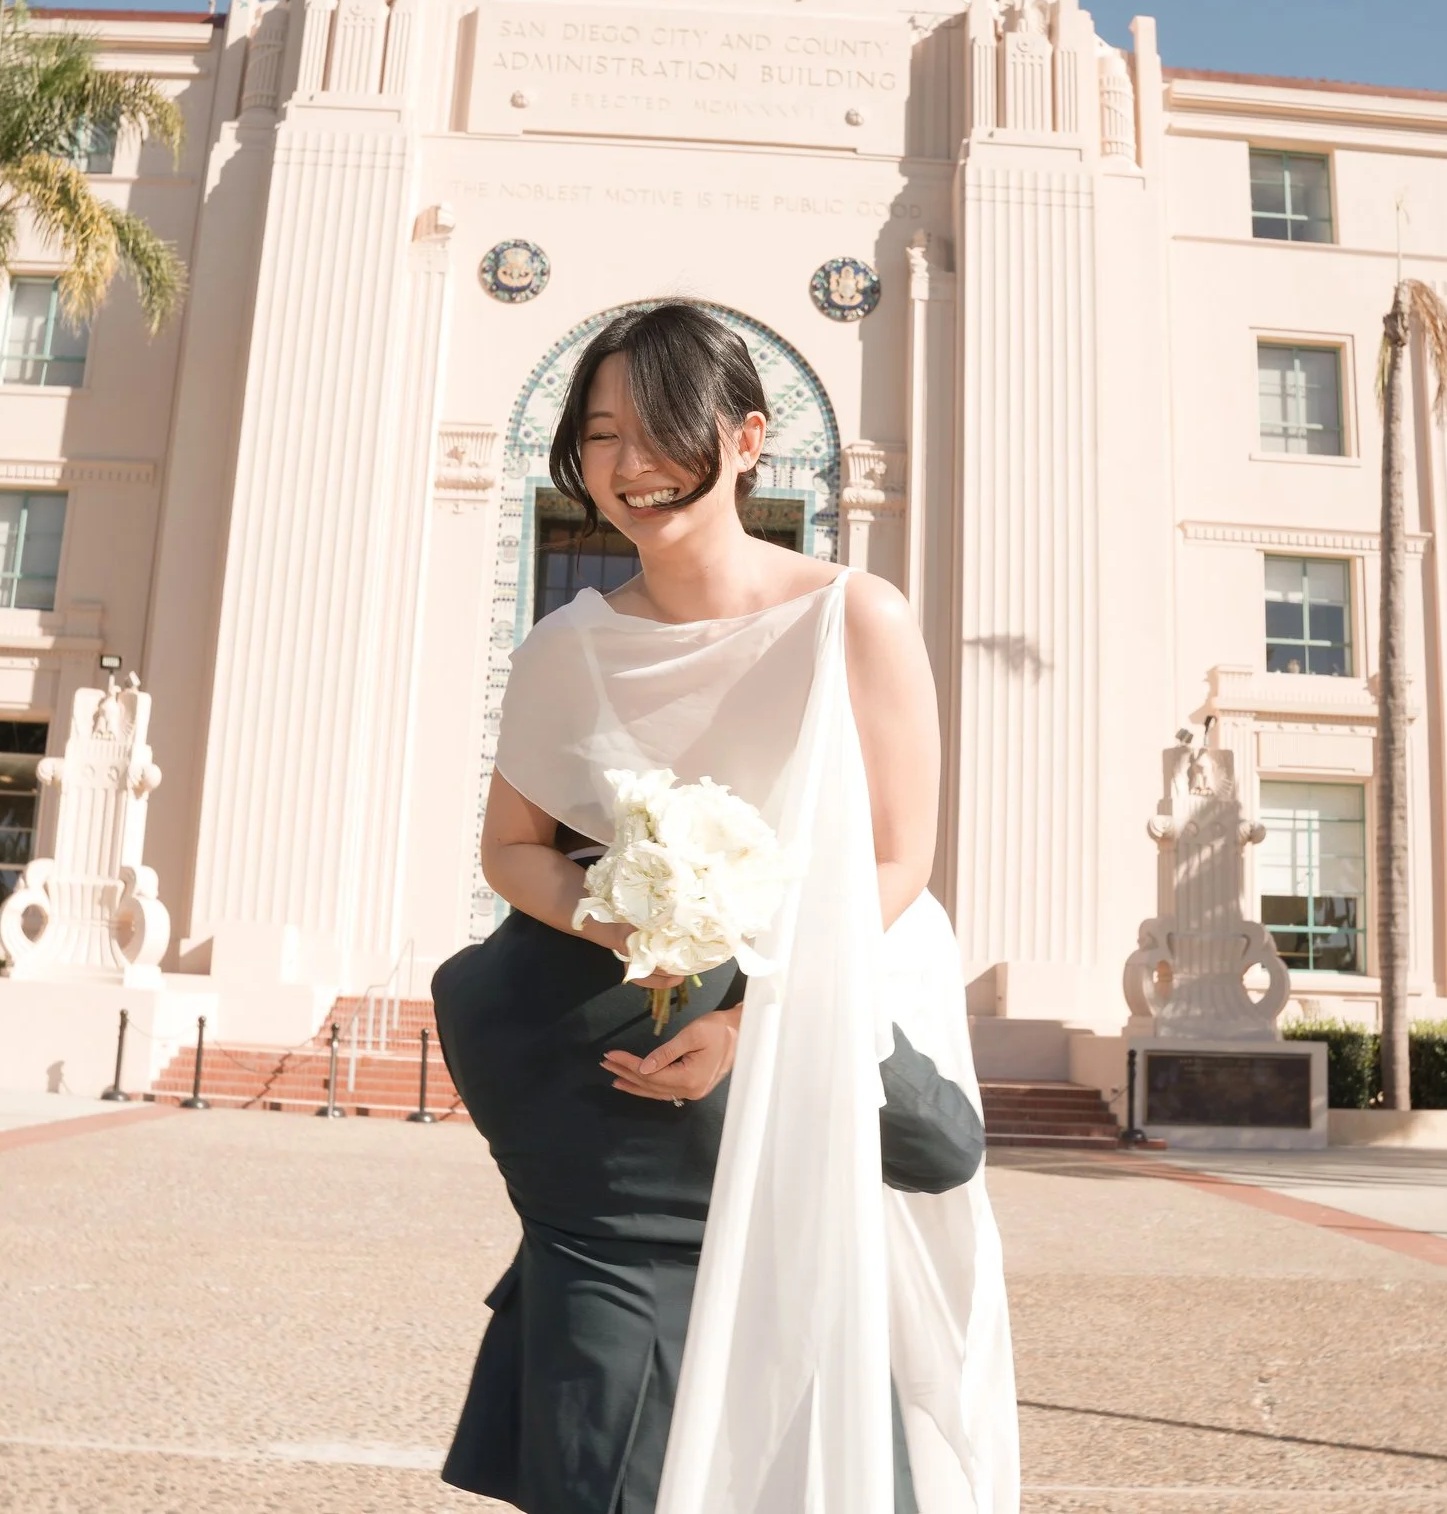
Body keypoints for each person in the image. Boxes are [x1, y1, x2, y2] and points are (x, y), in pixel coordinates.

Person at [434, 301, 1020, 1514]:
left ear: (747, 439)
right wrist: (631, 921)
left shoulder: (854, 615)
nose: (629, 463)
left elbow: (899, 858)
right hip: (618, 1080)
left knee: (811, 1374)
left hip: (816, 1017)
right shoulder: (564, 646)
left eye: (661, 428)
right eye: (601, 433)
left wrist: (758, 1021)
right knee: (614, 1427)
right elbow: (511, 851)